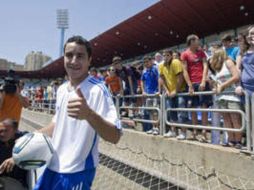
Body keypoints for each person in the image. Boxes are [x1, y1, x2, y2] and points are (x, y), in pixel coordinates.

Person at [34, 36, 121, 190]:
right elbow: (56, 125)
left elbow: (115, 136)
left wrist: (88, 114)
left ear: (89, 60)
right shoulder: (61, 89)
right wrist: (27, 141)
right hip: (51, 167)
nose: (73, 61)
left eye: (80, 56)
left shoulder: (98, 90)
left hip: (76, 172)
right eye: (69, 55)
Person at [181, 34, 212, 142]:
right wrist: (189, 85)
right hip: (192, 83)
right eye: (197, 40)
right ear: (192, 41)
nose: (199, 42)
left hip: (202, 82)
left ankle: (204, 133)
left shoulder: (201, 52)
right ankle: (194, 132)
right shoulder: (184, 54)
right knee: (193, 108)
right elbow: (184, 70)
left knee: (204, 108)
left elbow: (205, 66)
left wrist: (203, 81)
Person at [210, 49, 242, 148]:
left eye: (213, 53)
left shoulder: (228, 62)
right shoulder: (217, 67)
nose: (212, 55)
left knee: (235, 118)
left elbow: (236, 76)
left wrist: (222, 86)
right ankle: (231, 140)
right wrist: (215, 87)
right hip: (221, 97)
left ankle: (238, 141)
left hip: (232, 95)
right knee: (226, 119)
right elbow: (218, 81)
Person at [159, 49, 185, 139]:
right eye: (164, 55)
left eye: (167, 55)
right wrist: (167, 90)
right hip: (170, 93)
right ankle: (173, 131)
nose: (165, 57)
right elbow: (162, 79)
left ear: (171, 56)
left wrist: (175, 91)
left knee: (181, 112)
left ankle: (183, 132)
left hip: (180, 91)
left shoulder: (176, 62)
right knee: (171, 112)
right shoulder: (161, 66)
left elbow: (180, 77)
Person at [0, 119, 28, 189]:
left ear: (15, 130)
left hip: (17, 181)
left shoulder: (24, 138)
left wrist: (16, 158)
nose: (1, 134)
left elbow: (37, 142)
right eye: (0, 130)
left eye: (5, 131)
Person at [140, 56, 159, 134]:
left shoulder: (155, 69)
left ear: (151, 61)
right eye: (144, 62)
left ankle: (157, 128)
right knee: (150, 112)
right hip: (148, 94)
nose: (146, 63)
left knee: (155, 111)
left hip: (155, 94)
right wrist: (143, 91)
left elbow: (159, 79)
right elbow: (142, 81)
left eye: (147, 61)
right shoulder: (144, 71)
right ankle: (153, 127)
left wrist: (158, 90)